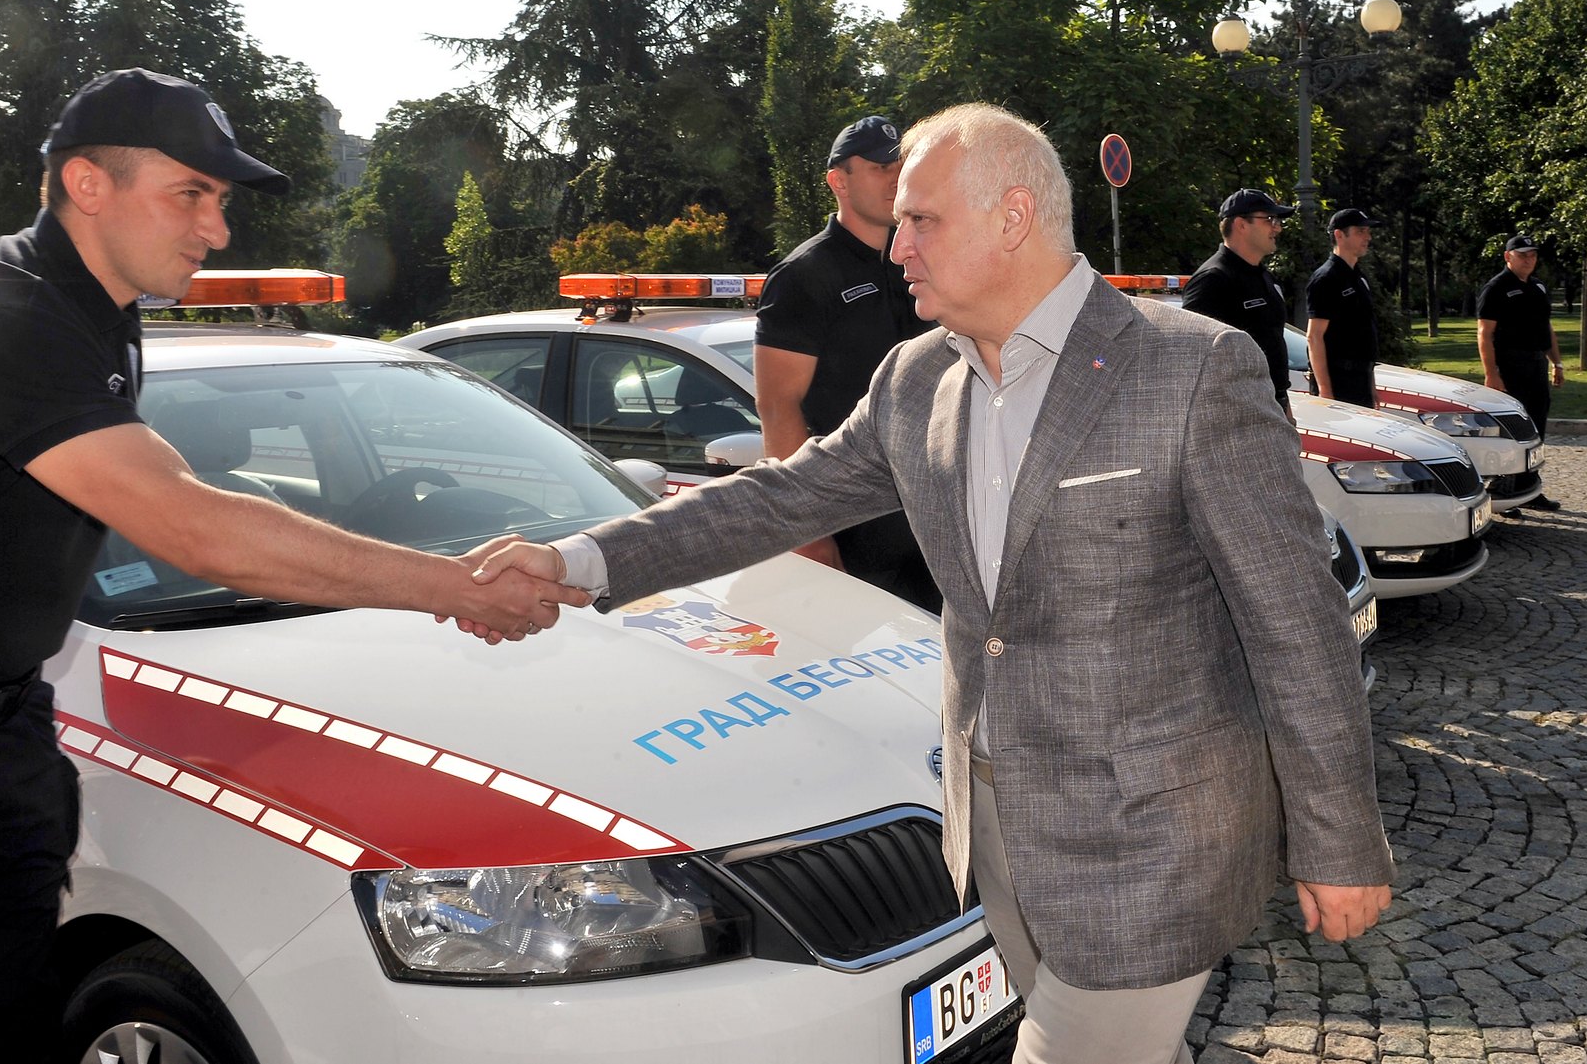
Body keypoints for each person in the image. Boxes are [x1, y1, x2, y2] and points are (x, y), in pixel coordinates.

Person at [468, 104, 1394, 1064]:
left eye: (922, 220)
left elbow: (1297, 621)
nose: (896, 242)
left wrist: (1340, 840)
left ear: (1013, 217)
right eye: (897, 220)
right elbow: (775, 500)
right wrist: (580, 559)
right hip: (989, 826)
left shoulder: (1191, 370)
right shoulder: (915, 381)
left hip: (1148, 838)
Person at [0, 68, 584, 1062]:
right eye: (192, 194)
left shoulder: (101, 310)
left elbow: (167, 494)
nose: (216, 229)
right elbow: (191, 526)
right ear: (87, 184)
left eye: (219, 201)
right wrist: (451, 586)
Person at [754, 114, 939, 611]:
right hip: (851, 530)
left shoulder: (918, 265)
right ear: (838, 180)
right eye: (880, 167)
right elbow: (777, 406)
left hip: (930, 522)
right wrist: (808, 529)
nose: (896, 177)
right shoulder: (802, 276)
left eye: (901, 164)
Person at [1184, 188, 1297, 418]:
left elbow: (1272, 344)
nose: (1277, 227)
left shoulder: (1265, 277)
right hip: (1235, 412)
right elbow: (1190, 358)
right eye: (1269, 219)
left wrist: (1284, 405)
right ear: (1241, 225)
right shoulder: (1213, 279)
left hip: (1272, 405)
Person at [1477, 233, 1565, 512]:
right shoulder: (1496, 288)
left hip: (1536, 364)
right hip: (1510, 366)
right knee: (1510, 433)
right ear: (1508, 257)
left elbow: (1546, 329)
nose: (1529, 259)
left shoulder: (1538, 287)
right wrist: (1491, 374)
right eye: (1523, 254)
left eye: (1533, 255)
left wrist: (1556, 363)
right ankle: (1503, 492)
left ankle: (1529, 488)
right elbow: (1484, 334)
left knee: (1536, 430)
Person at [1305, 208, 1383, 408]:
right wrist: (1325, 391)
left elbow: (1364, 334)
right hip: (1339, 382)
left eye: (1367, 231)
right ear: (1339, 235)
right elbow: (1314, 337)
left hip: (1360, 379)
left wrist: (1371, 385)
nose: (1368, 237)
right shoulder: (1326, 278)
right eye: (1360, 231)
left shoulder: (1358, 276)